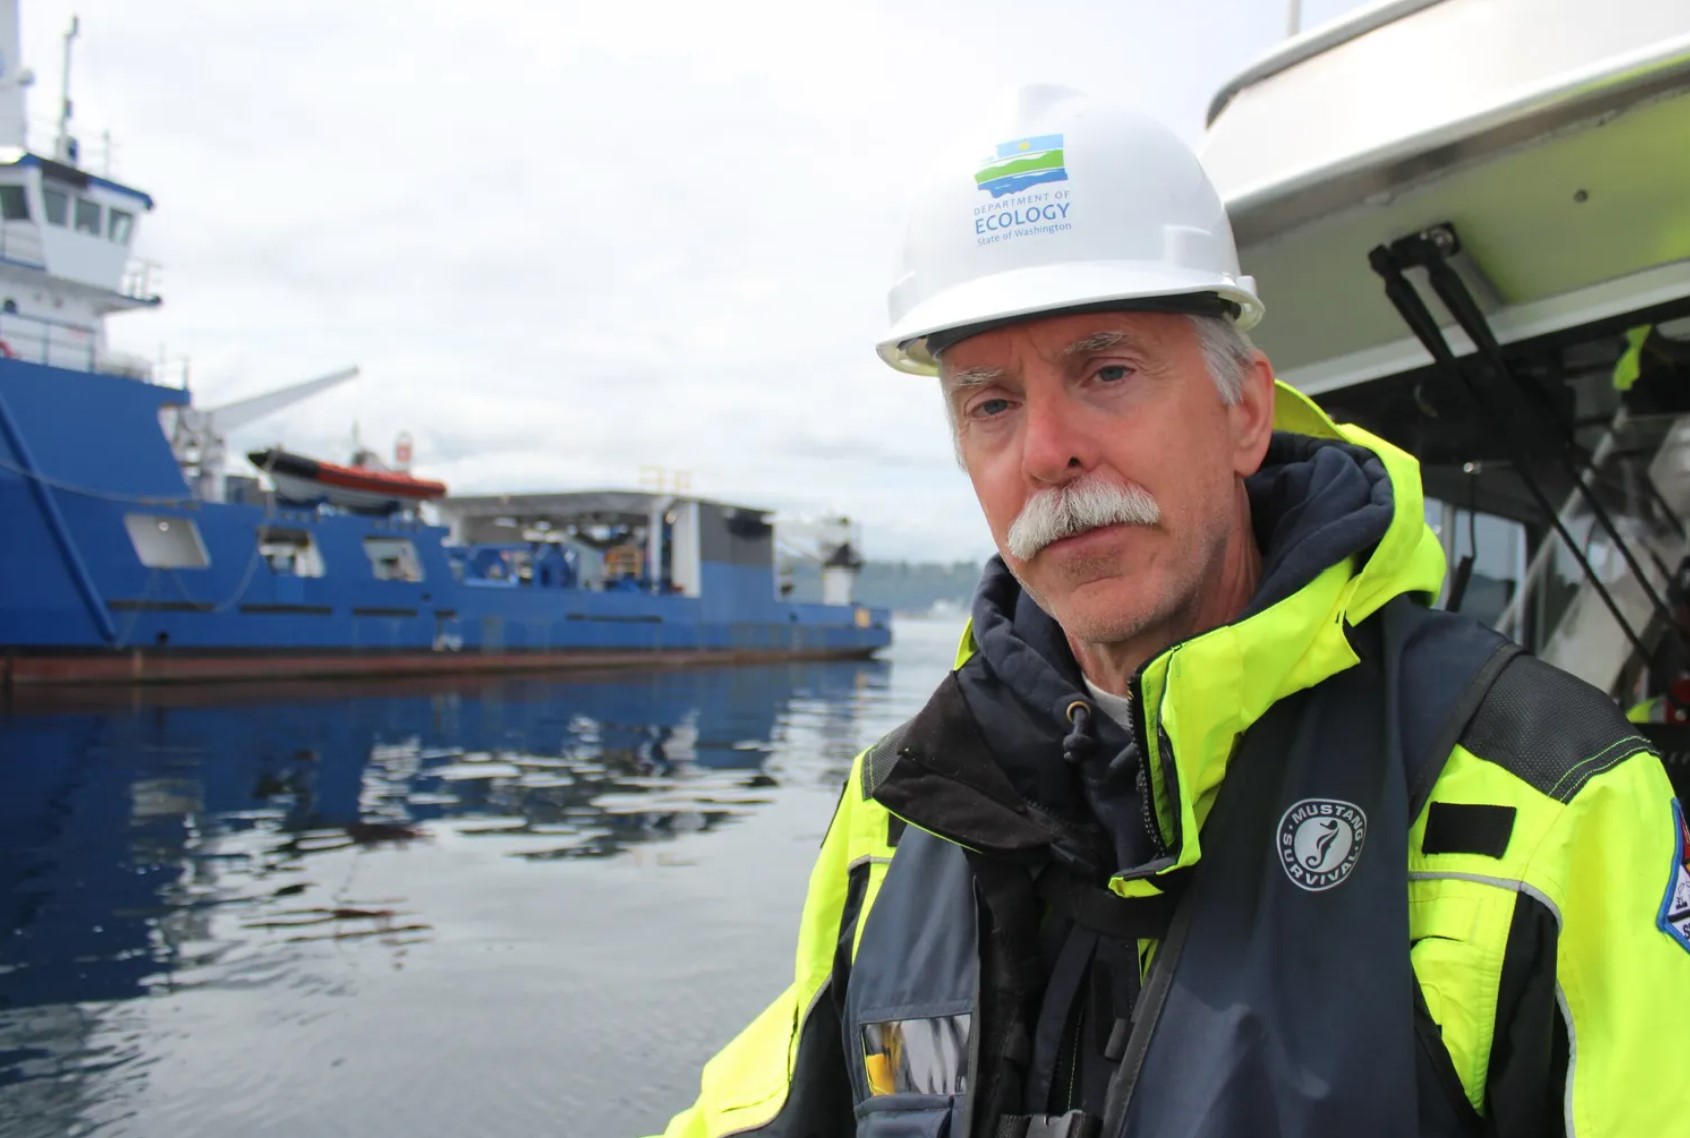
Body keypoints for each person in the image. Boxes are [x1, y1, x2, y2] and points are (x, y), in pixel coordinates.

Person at [648, 86, 1690, 1138]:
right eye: (991, 405)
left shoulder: (1551, 801)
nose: (1046, 450)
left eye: (1105, 371)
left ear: (1242, 412)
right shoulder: (895, 811)